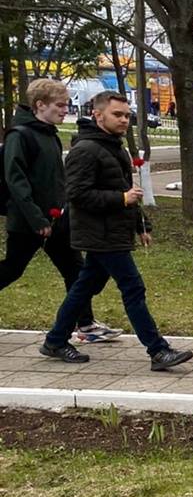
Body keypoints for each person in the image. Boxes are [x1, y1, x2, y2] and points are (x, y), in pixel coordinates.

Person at [38, 91, 192, 370]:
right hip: (100, 234)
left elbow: (126, 190)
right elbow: (77, 195)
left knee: (84, 288)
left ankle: (55, 340)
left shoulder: (114, 147)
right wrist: (121, 199)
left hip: (114, 231)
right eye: (117, 115)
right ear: (98, 115)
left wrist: (141, 225)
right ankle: (158, 351)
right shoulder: (85, 150)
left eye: (127, 116)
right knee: (133, 287)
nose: (124, 120)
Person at [1, 79, 122, 345]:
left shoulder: (50, 135)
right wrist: (37, 219)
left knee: (75, 271)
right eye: (60, 105)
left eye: (66, 104)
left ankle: (86, 324)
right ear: (40, 105)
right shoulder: (19, 136)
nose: (65, 109)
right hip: (29, 222)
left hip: (57, 220)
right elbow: (16, 181)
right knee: (12, 269)